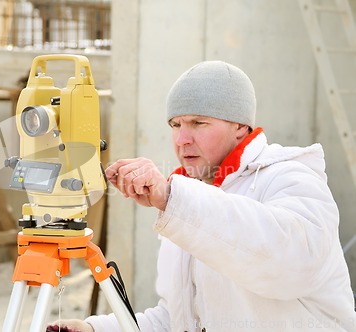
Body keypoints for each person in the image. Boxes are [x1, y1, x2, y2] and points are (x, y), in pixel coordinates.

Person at [47, 60, 356, 331]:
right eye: (176, 124)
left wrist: (172, 199)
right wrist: (94, 329)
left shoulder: (290, 177)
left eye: (198, 123)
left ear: (239, 126)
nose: (182, 139)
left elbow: (290, 262)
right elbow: (178, 321)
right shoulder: (187, 199)